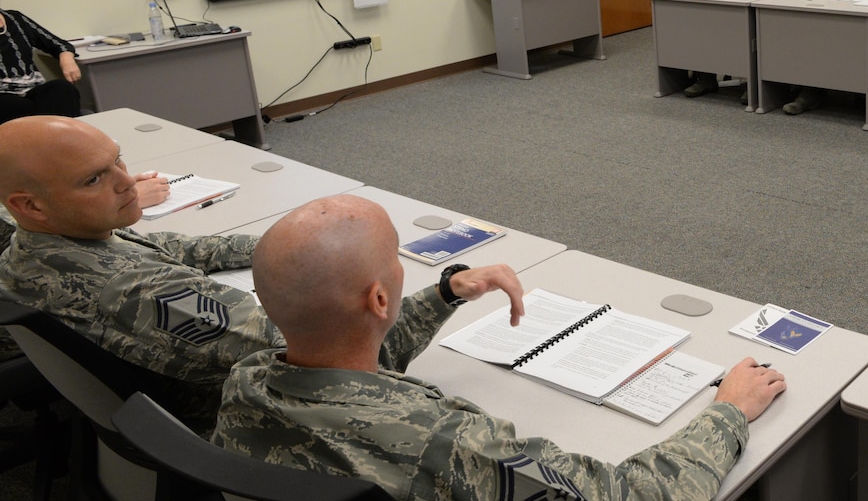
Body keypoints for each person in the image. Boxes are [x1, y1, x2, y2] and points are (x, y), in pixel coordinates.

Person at [213, 194, 787, 501]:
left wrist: (444, 292)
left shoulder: (246, 380)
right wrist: (728, 412)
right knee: (736, 477)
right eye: (397, 258)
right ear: (381, 297)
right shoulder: (449, 447)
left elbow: (344, 353)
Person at [0, 116, 522, 426]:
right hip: (249, 427)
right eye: (95, 178)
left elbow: (182, 246)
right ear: (32, 205)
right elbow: (337, 350)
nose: (127, 182)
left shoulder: (42, 246)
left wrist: (303, 250)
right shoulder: (137, 291)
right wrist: (444, 294)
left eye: (119, 159)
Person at [0, 0, 82, 123]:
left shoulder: (16, 19)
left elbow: (57, 44)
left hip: (33, 88)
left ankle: (65, 139)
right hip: (4, 96)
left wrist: (66, 58)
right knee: (15, 106)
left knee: (62, 89)